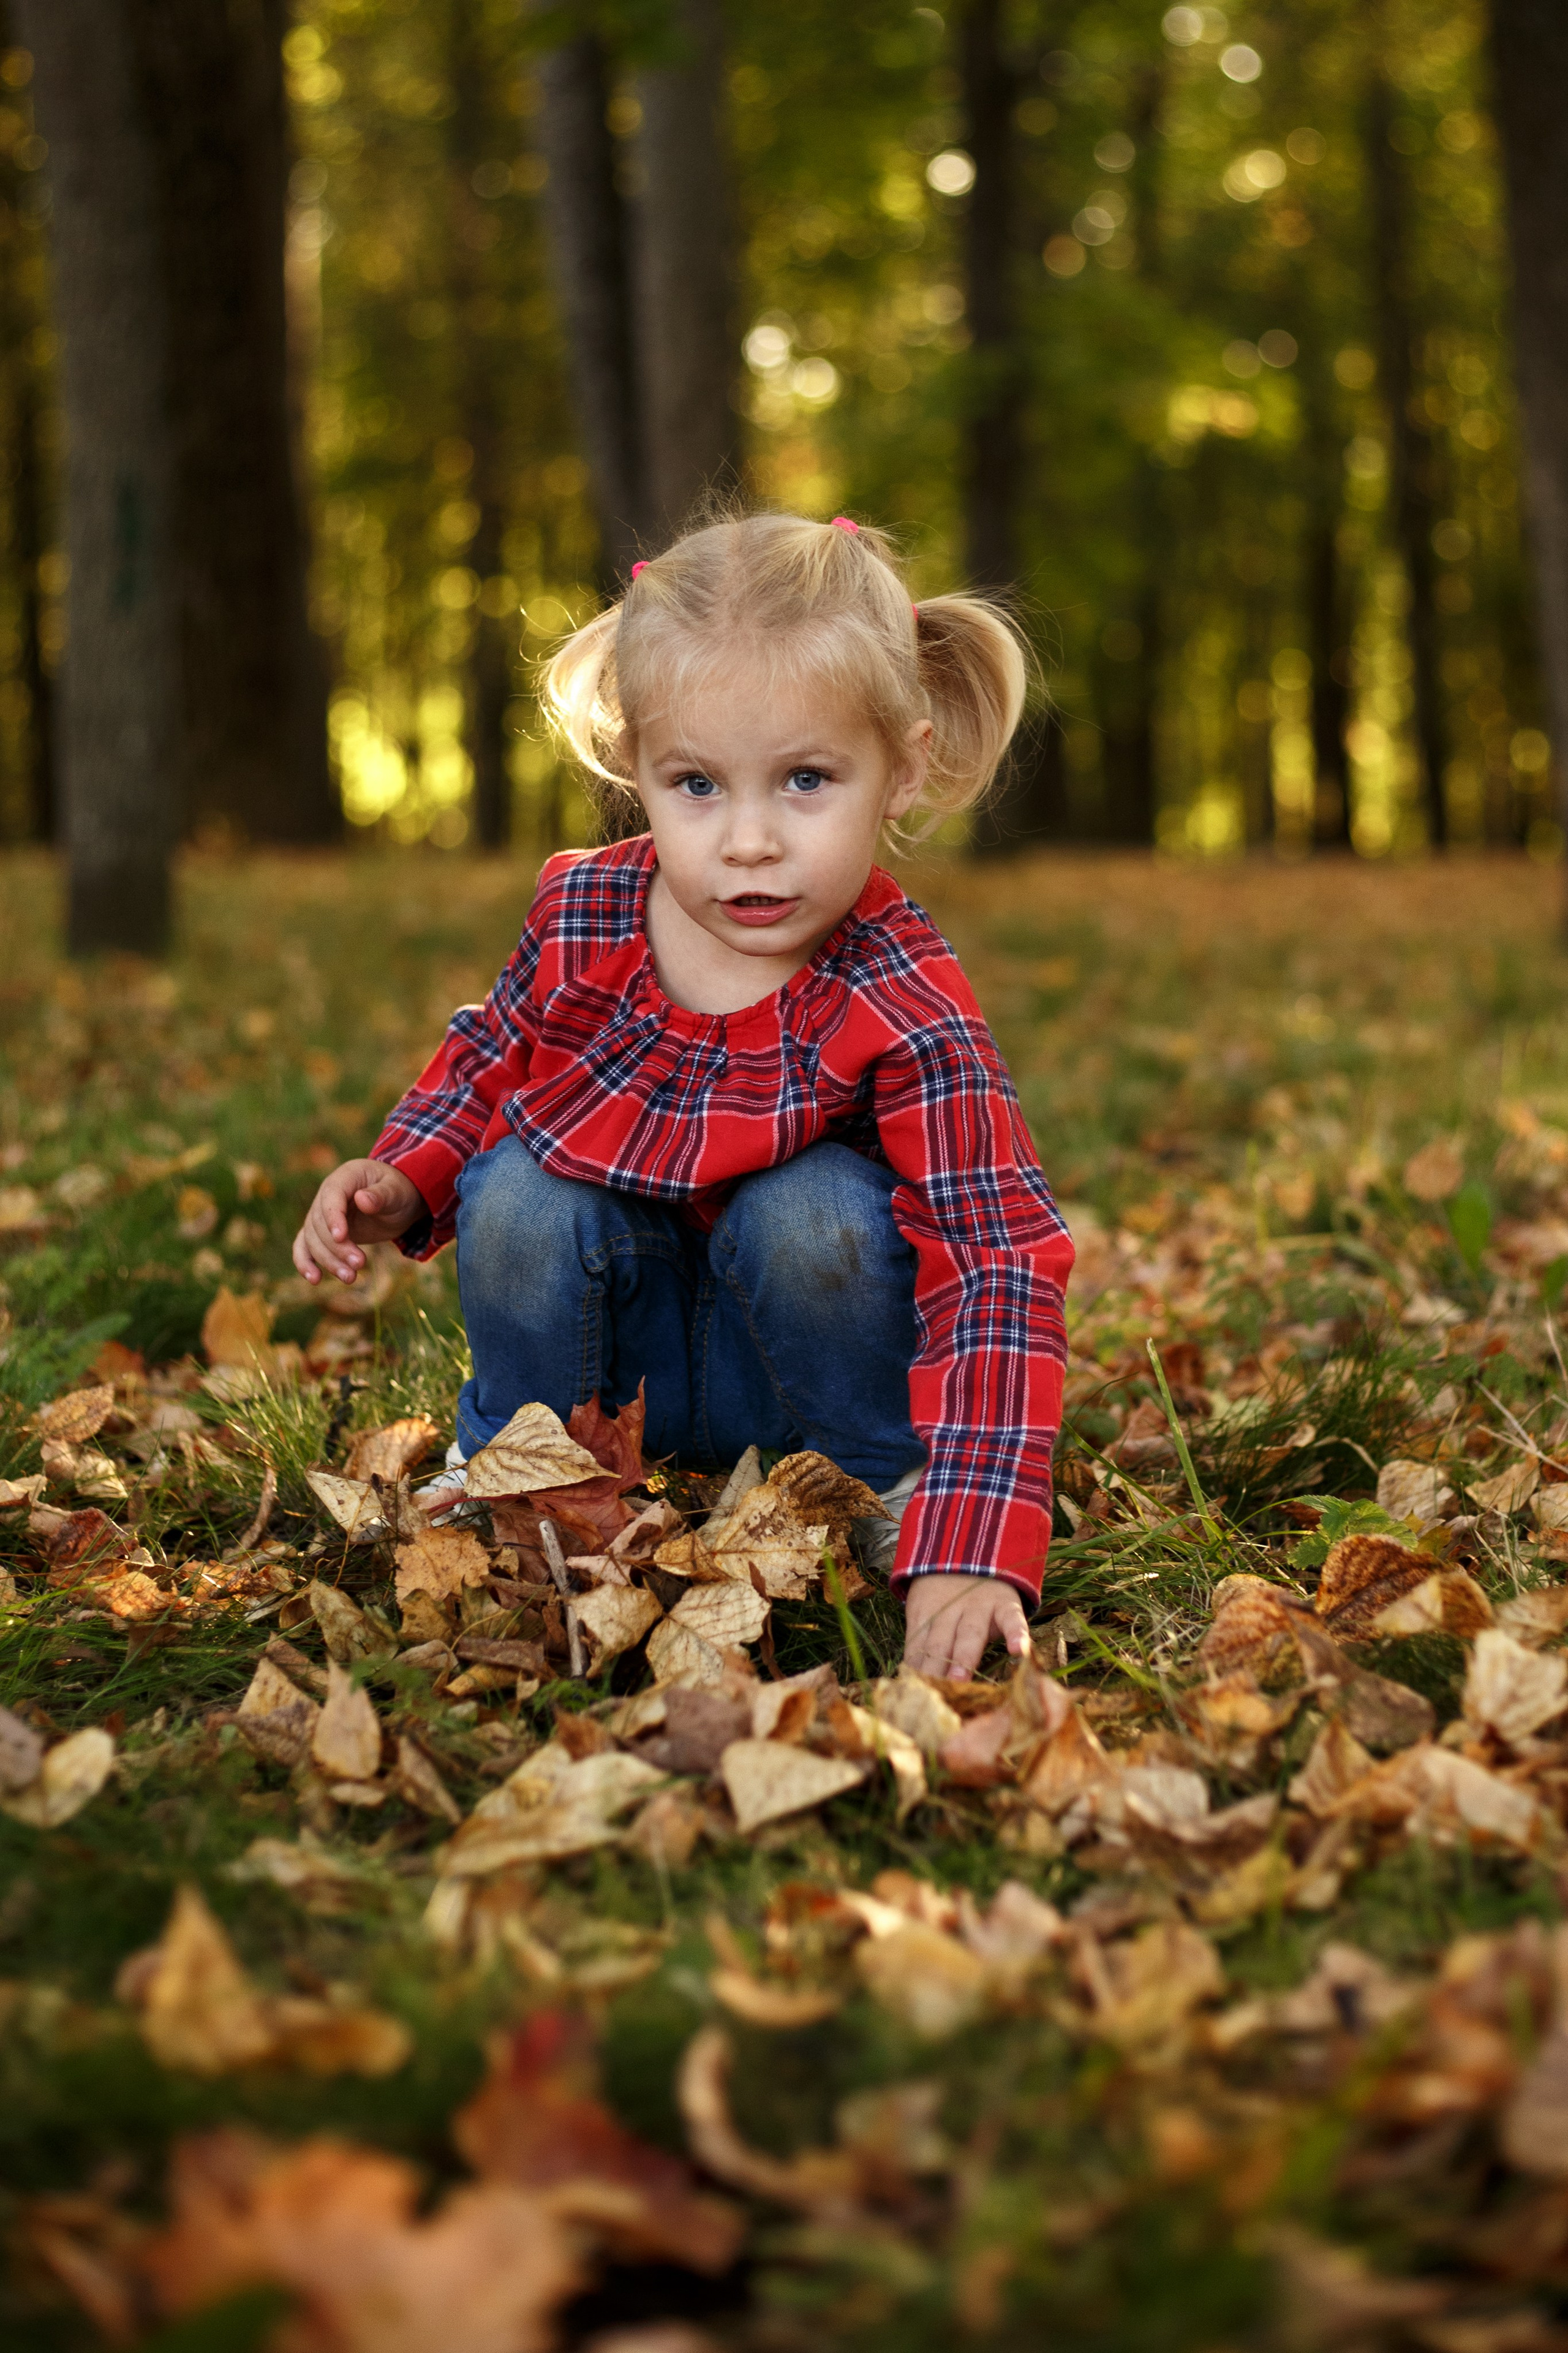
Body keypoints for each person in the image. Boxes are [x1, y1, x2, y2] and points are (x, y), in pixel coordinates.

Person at [292, 510, 1072, 1679]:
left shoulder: (901, 990)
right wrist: (405, 1175)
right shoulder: (586, 915)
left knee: (805, 1207)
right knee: (516, 1185)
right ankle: (529, 1472)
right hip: (623, 1360)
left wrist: (980, 1531)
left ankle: (885, 1495)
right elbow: (493, 1057)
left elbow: (996, 1249)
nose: (748, 840)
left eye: (807, 779)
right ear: (638, 764)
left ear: (901, 765)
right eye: (697, 783)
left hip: (803, 1391)